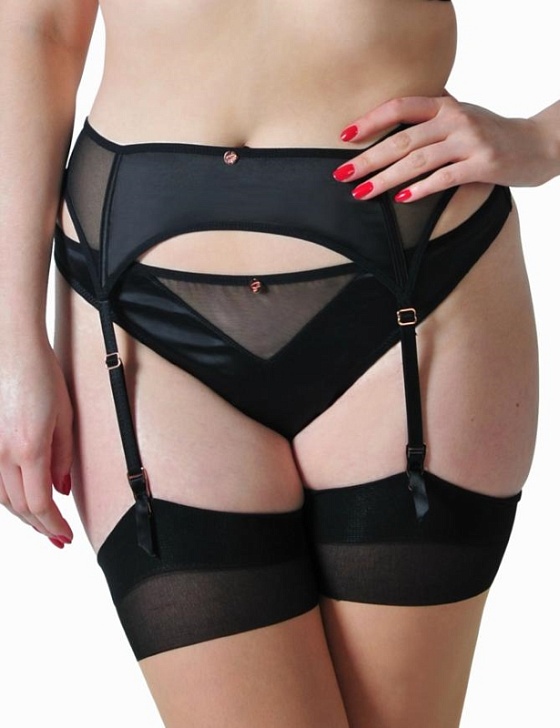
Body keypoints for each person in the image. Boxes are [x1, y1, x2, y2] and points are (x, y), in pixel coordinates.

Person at [0, 1, 557, 726]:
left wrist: (543, 139)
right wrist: (11, 340)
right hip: (134, 317)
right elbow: (35, 28)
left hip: (414, 293)